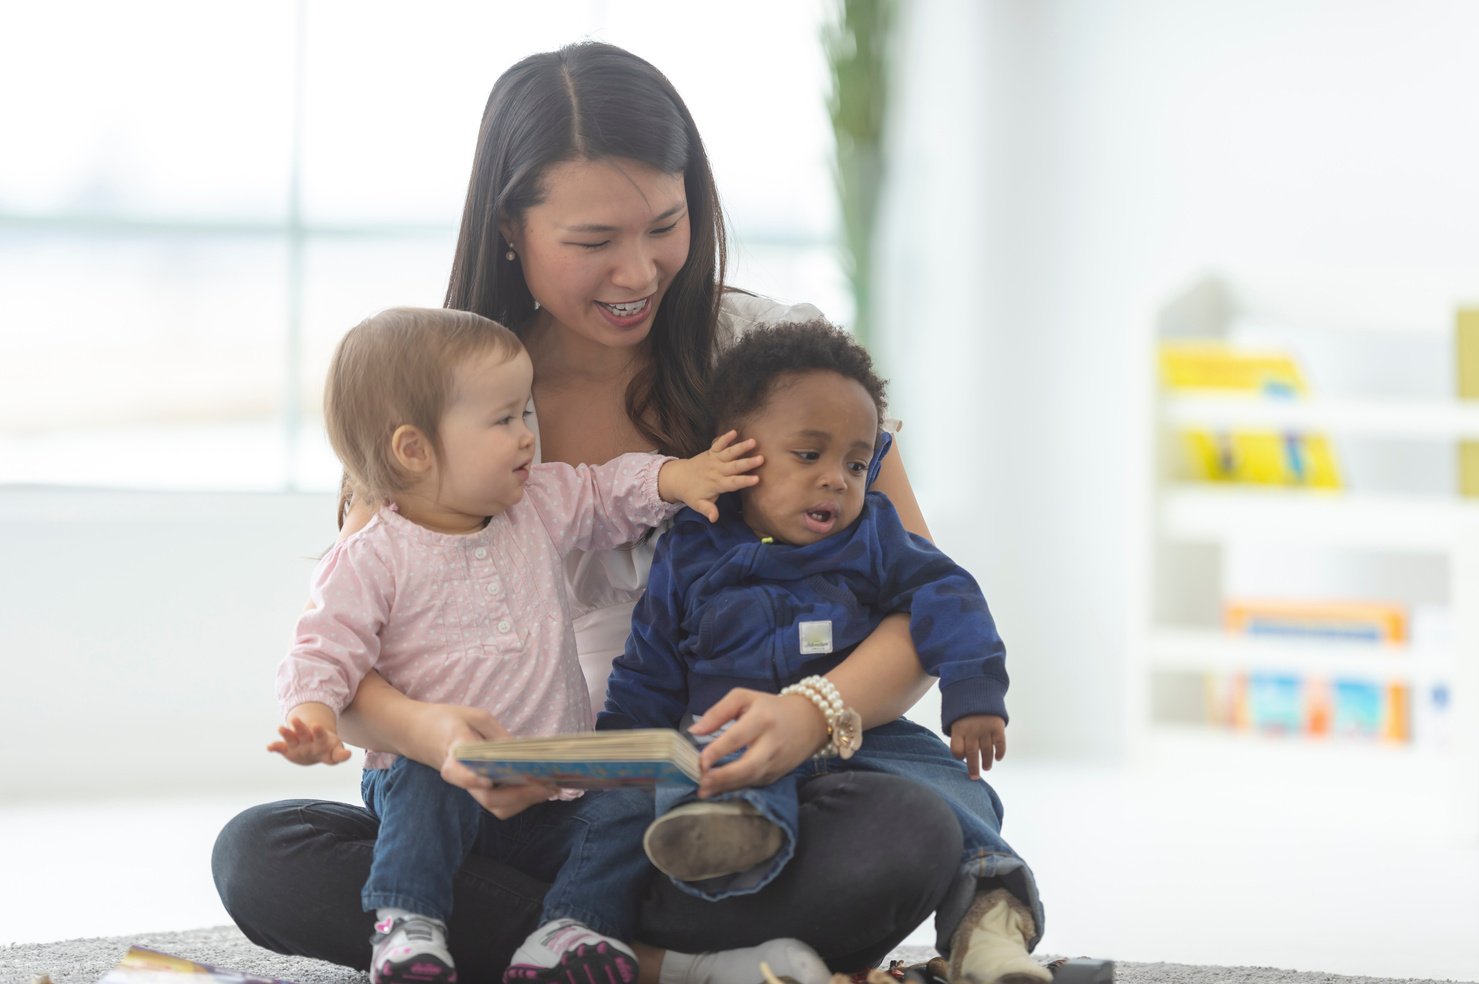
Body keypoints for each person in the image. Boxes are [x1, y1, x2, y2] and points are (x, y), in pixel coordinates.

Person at [213, 41, 970, 984]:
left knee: (903, 833)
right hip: (500, 818)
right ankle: (672, 964)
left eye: (665, 223)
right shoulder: (438, 391)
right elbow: (353, 657)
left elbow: (923, 599)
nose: (639, 271)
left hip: (717, 805)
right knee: (260, 856)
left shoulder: (770, 357)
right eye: (592, 242)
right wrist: (439, 739)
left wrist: (808, 717)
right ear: (507, 228)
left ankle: (580, 941)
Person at [269, 306, 761, 984]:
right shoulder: (373, 555)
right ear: (413, 450)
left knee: (635, 796)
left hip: (552, 793)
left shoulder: (538, 505)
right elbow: (323, 648)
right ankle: (409, 925)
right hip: (441, 790)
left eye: (525, 413)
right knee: (413, 778)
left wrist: (676, 478)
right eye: (504, 421)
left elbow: (604, 490)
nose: (529, 437)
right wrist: (315, 719)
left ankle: (568, 932)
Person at [601, 320, 1049, 984]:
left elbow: (945, 591)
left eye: (856, 462)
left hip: (858, 735)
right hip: (728, 737)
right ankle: (726, 846)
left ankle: (988, 922)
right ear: (739, 456)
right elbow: (650, 664)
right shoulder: (690, 551)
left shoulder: (872, 536)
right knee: (700, 775)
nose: (837, 481)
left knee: (948, 785)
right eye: (808, 456)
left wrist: (975, 693)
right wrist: (613, 758)